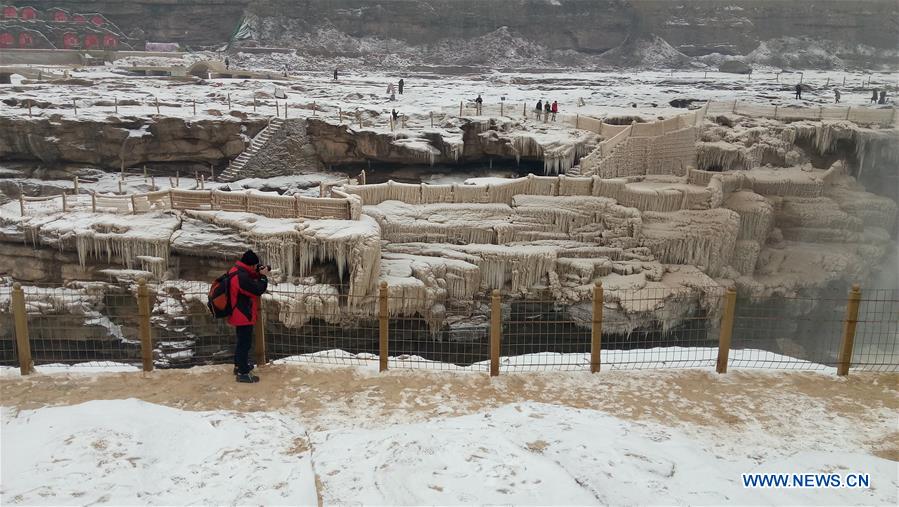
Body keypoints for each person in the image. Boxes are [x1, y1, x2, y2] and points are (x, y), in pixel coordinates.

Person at [227, 249, 269, 383]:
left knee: (241, 341)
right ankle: (243, 373)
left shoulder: (236, 270)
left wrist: (258, 273)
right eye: (255, 265)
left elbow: (248, 280)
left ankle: (239, 365)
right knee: (244, 343)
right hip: (242, 313)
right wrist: (263, 277)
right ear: (251, 265)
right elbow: (257, 290)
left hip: (237, 312)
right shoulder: (242, 277)